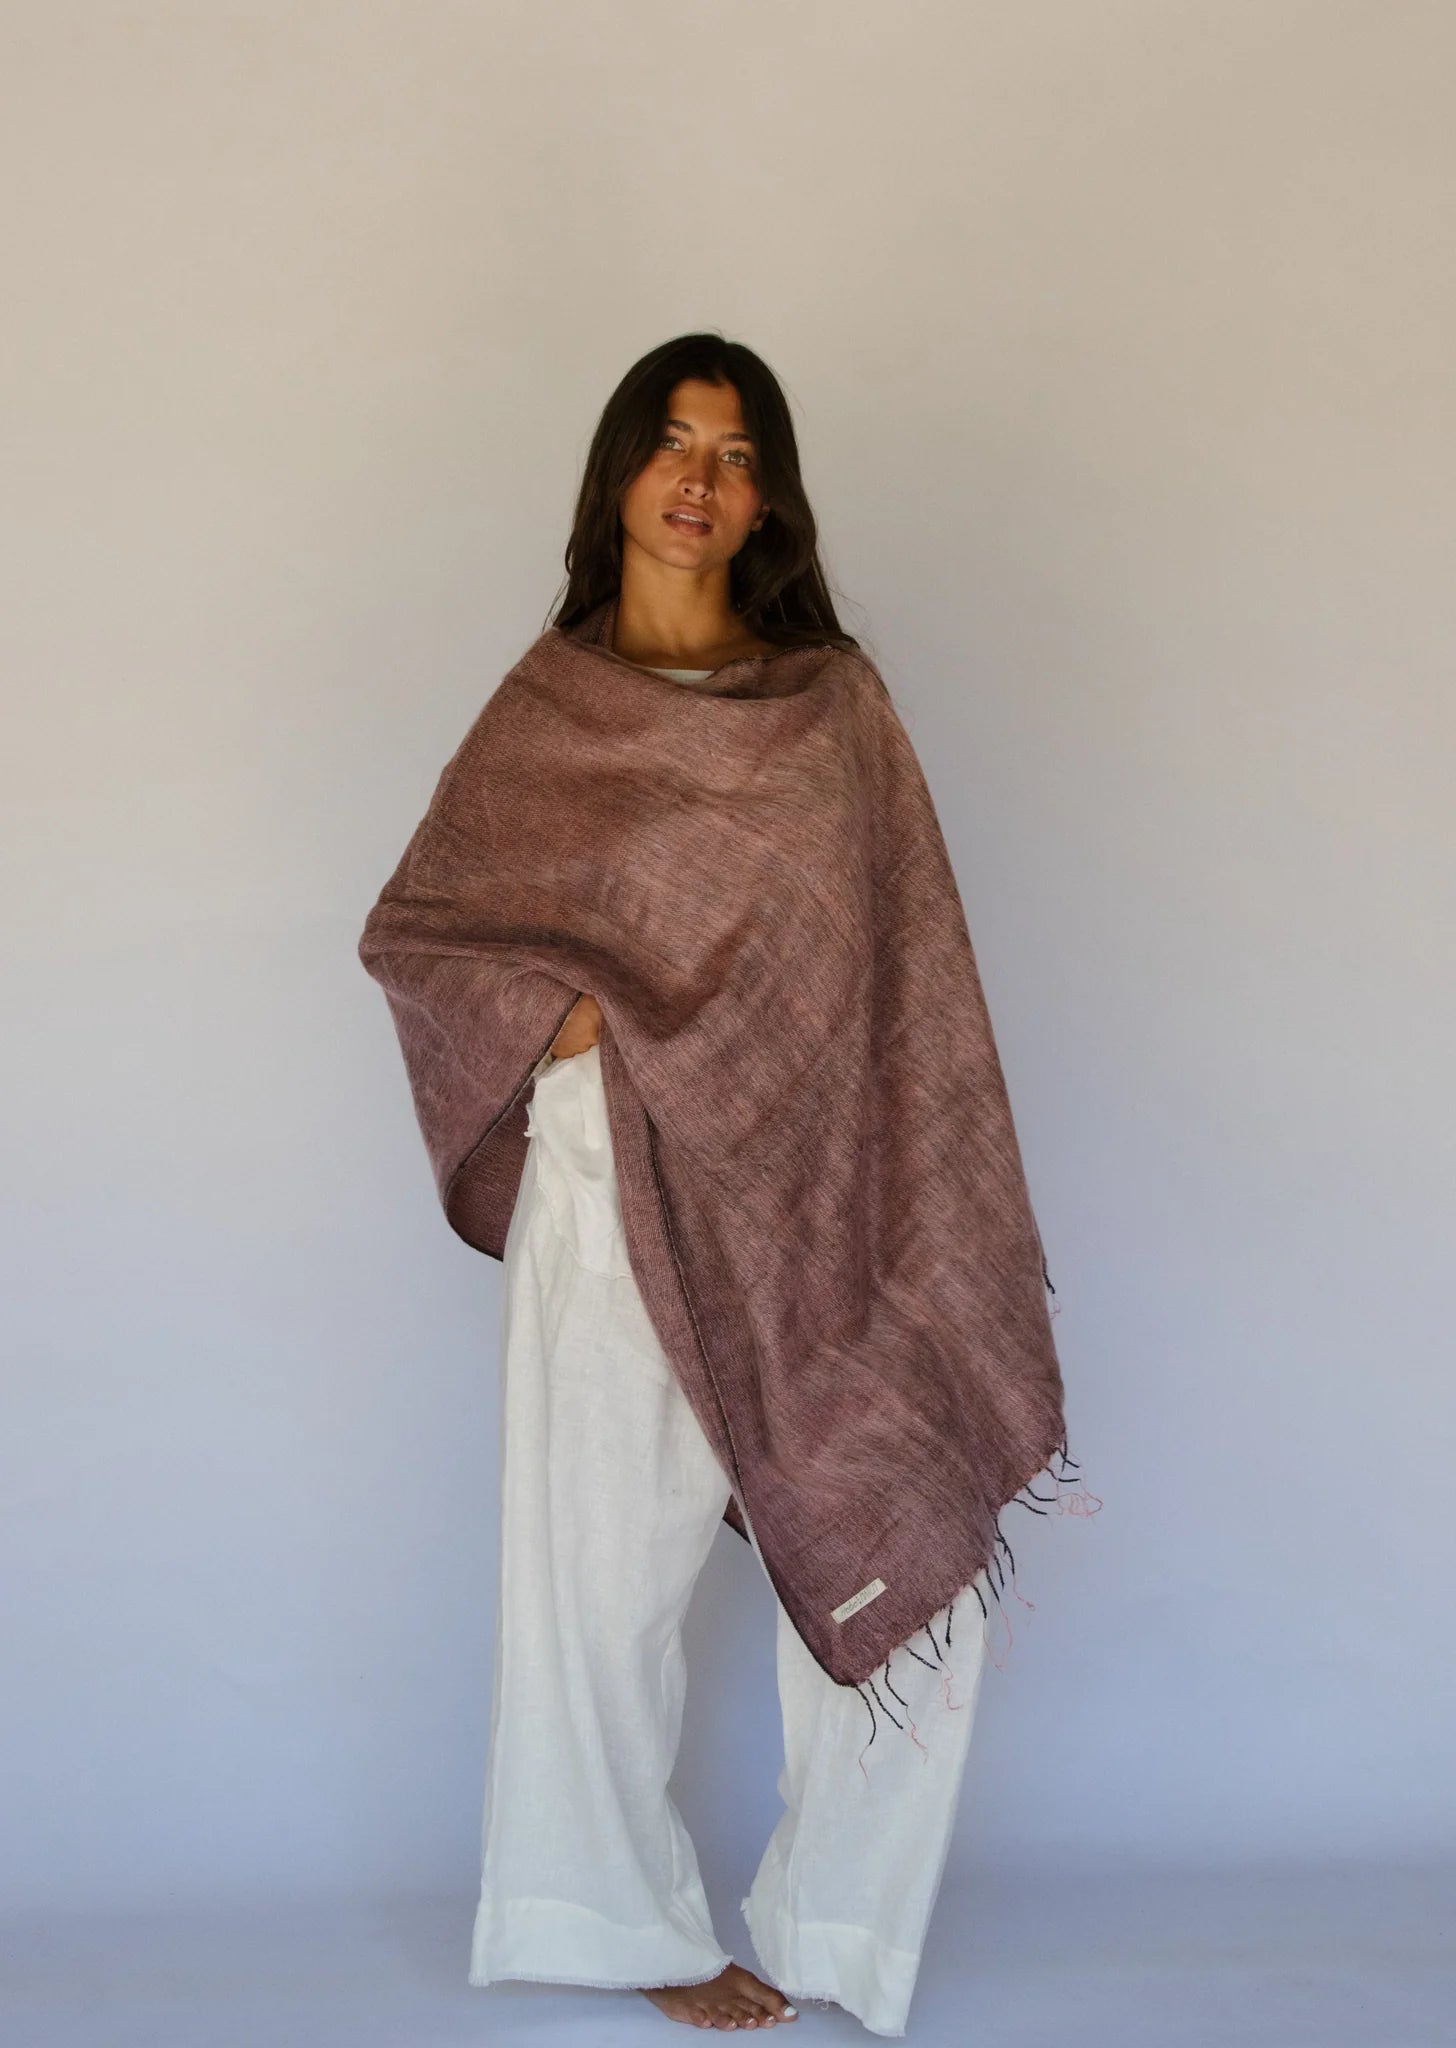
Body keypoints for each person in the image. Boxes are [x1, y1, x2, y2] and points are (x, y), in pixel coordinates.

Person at [464, 336, 994, 2037]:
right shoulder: (551, 710)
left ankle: (839, 1926)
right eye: (674, 442)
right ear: (621, 471)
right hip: (606, 1183)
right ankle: (609, 1919)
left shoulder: (830, 705)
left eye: (740, 451)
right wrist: (570, 1021)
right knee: (596, 1583)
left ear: (770, 498)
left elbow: (905, 965)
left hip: (818, 1194)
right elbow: (430, 937)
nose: (701, 478)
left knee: (906, 1547)